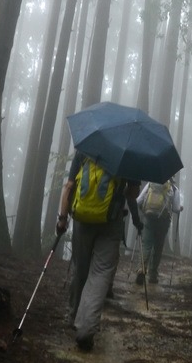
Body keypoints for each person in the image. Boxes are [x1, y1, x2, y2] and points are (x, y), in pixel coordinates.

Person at [56, 151, 142, 352]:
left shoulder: (85, 148)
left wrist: (62, 218)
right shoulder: (128, 154)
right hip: (111, 222)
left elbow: (69, 186)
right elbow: (133, 193)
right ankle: (86, 328)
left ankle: (73, 315)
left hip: (82, 220)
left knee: (81, 268)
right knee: (101, 273)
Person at [135, 178, 183, 285]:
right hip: (163, 221)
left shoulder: (150, 184)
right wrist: (180, 208)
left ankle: (141, 269)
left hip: (149, 218)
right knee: (158, 247)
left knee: (146, 244)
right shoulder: (174, 189)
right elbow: (175, 209)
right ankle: (153, 275)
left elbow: (138, 201)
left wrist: (144, 210)